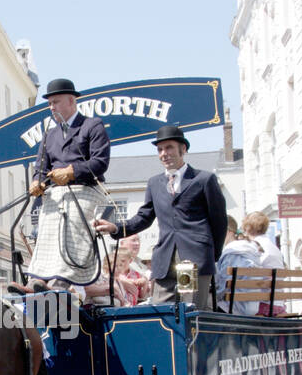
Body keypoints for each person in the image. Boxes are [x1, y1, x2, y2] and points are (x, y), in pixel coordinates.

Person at [93, 124, 227, 310]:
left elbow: (219, 222)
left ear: (184, 149)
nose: (164, 153)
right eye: (160, 149)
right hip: (164, 260)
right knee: (161, 313)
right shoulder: (155, 183)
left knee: (191, 313)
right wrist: (115, 228)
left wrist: (211, 255)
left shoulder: (203, 180)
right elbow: (144, 217)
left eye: (169, 147)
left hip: (195, 259)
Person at [14, 78, 111, 294]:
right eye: (49, 104)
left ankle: (61, 281)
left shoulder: (92, 126)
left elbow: (100, 163)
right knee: (46, 227)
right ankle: (35, 281)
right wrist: (36, 182)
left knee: (74, 222)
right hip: (56, 193)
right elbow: (40, 166)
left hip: (85, 190)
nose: (52, 107)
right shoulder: (50, 134)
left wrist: (71, 171)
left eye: (56, 102)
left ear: (71, 100)